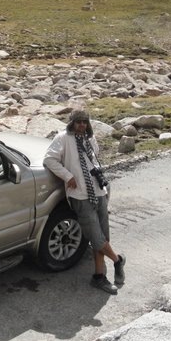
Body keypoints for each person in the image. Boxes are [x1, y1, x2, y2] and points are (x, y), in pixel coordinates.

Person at [43, 109, 126, 294]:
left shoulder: (89, 138)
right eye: (78, 122)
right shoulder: (63, 138)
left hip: (98, 191)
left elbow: (94, 158)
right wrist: (67, 176)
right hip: (80, 195)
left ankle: (98, 277)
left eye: (85, 122)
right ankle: (118, 260)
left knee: (103, 235)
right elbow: (49, 159)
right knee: (96, 237)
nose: (82, 125)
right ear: (71, 122)